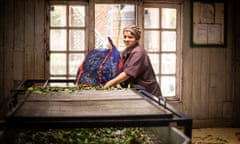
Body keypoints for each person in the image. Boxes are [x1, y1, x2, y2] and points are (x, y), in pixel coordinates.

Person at [103, 25, 162, 97]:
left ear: (136, 39)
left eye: (130, 37)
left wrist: (109, 84)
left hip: (149, 93)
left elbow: (126, 74)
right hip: (138, 91)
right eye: (125, 37)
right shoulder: (126, 51)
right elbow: (119, 66)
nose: (126, 39)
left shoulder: (139, 53)